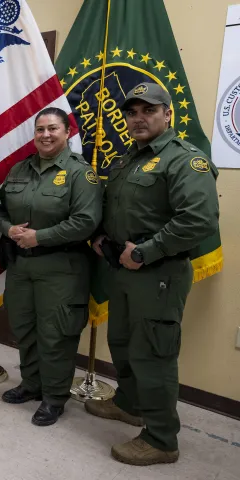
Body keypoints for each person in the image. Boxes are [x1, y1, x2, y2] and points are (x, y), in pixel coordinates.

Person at [87, 83, 219, 465]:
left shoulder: (183, 160)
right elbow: (121, 209)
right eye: (132, 112)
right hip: (126, 271)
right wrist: (102, 240)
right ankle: (130, 404)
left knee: (154, 356)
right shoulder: (130, 159)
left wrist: (146, 252)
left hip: (158, 273)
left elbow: (199, 220)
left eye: (149, 110)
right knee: (124, 342)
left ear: (167, 114)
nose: (139, 118)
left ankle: (162, 439)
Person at [0, 108, 101, 425]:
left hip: (62, 269)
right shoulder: (19, 170)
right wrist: (9, 230)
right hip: (21, 267)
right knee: (25, 329)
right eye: (40, 129)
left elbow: (86, 222)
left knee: (56, 336)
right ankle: (31, 384)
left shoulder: (81, 173)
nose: (45, 135)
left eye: (52, 128)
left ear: (67, 131)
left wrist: (39, 237)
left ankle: (54, 397)